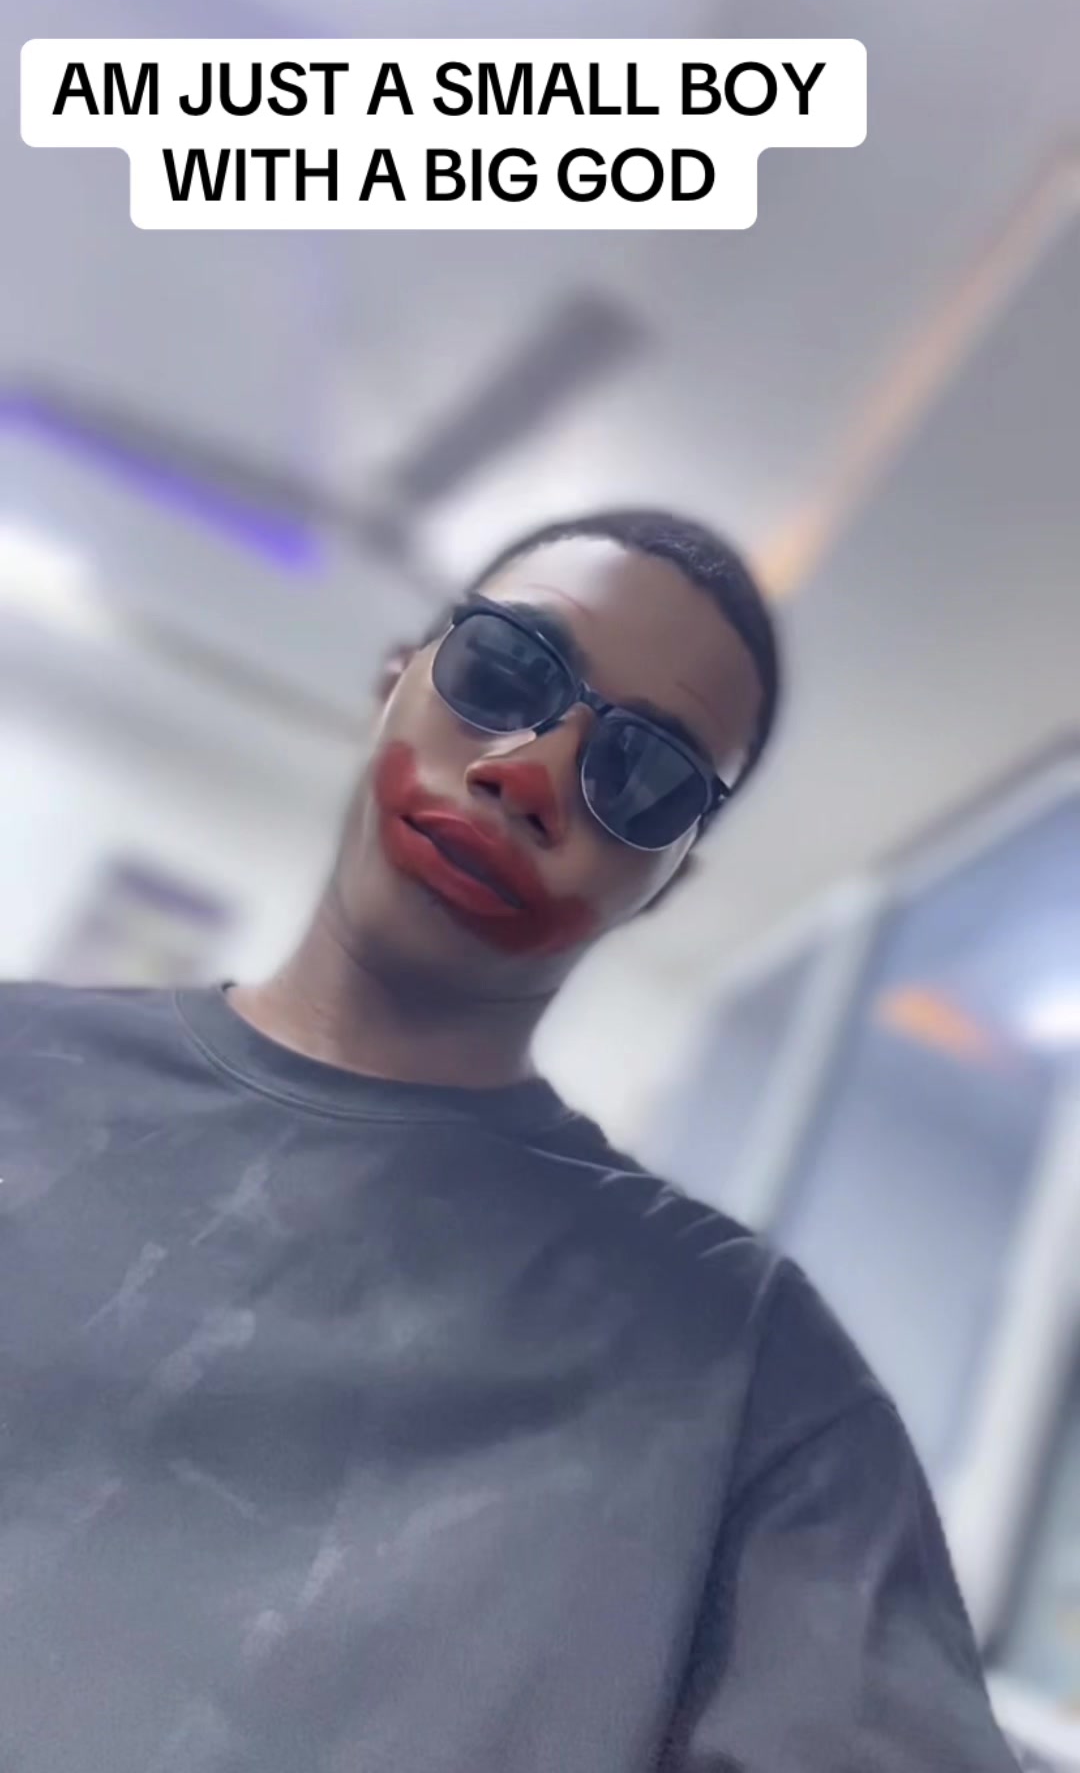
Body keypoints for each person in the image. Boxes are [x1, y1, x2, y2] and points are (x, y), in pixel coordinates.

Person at [0, 507, 1019, 1772]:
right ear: (398, 677)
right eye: (505, 670)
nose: (527, 777)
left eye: (643, 775)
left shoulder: (744, 1370)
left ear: (667, 879)